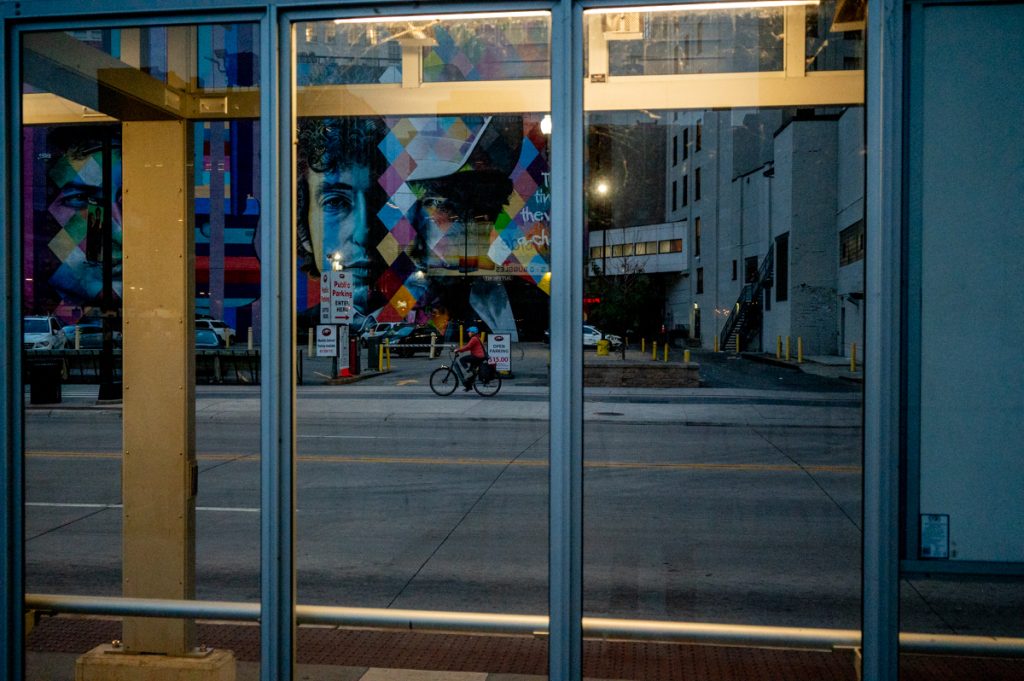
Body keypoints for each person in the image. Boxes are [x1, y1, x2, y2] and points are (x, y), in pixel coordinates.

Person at [296, 117, 388, 332]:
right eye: (335, 202)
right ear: (303, 228)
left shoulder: (413, 318)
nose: (363, 233)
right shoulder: (296, 331)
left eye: (379, 202)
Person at [455, 326, 487, 391]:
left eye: (469, 332)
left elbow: (468, 347)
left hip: (477, 357)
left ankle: (469, 372)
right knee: (472, 371)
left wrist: (458, 350)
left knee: (462, 359)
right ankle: (468, 386)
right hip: (479, 357)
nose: (468, 333)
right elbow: (469, 347)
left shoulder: (474, 339)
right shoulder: (476, 338)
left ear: (473, 332)